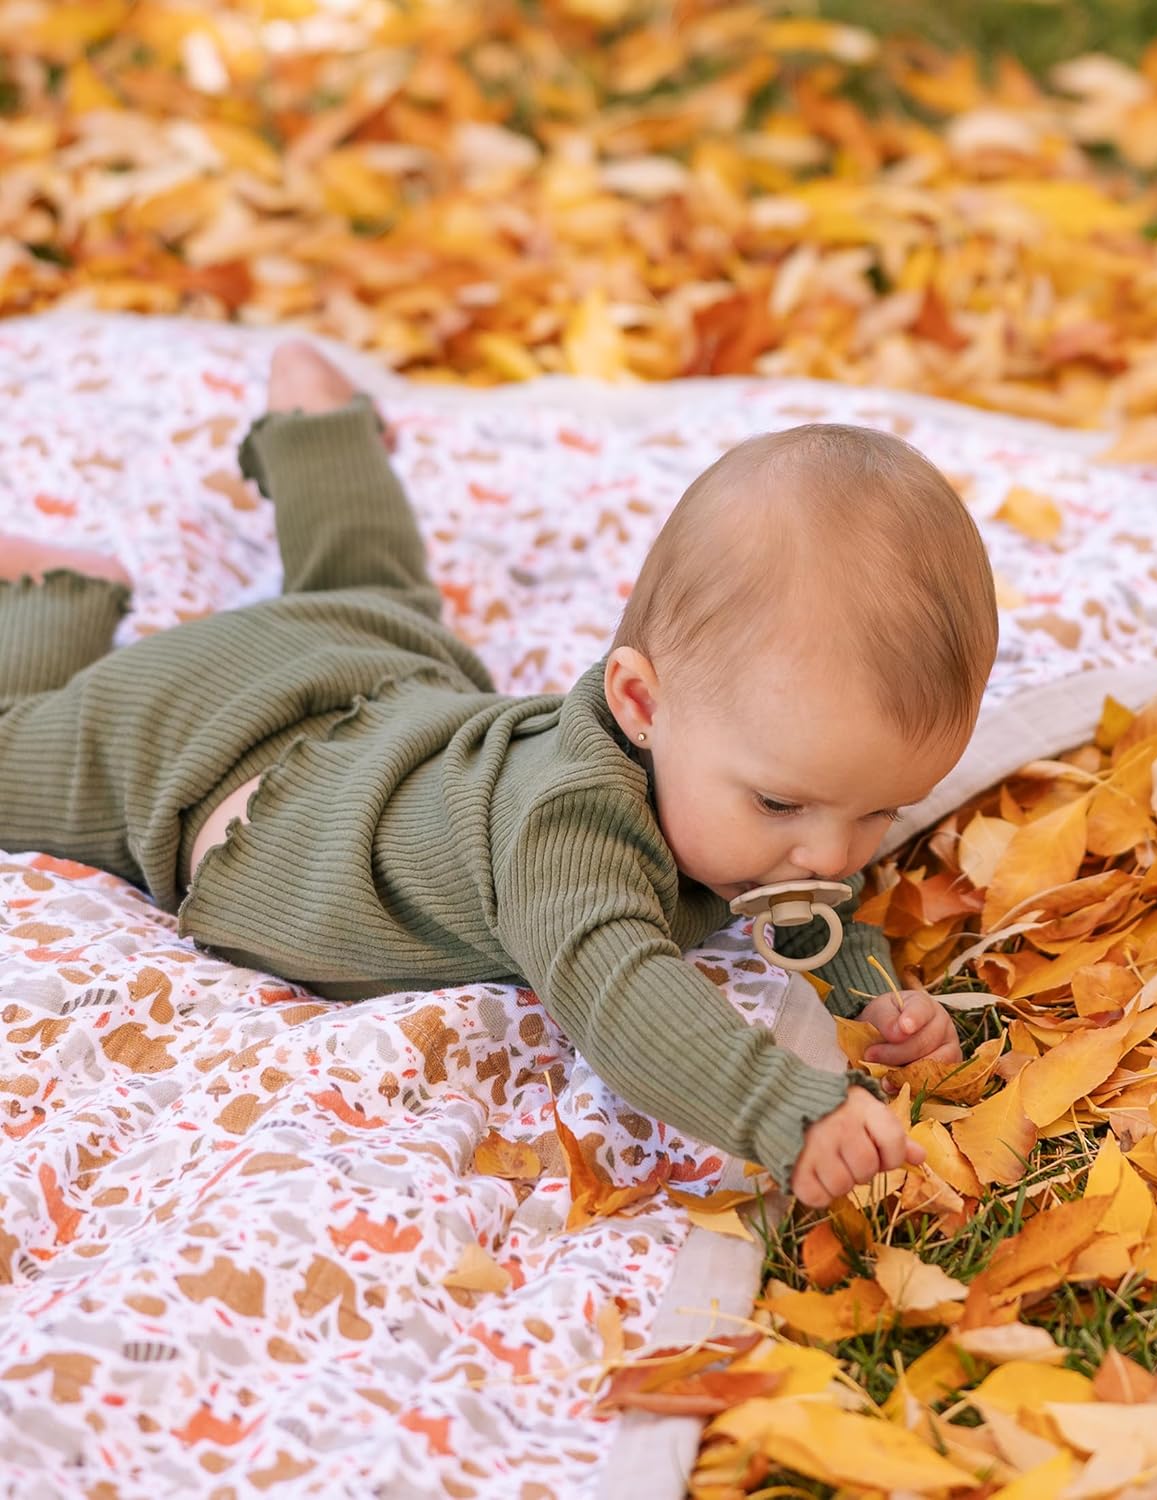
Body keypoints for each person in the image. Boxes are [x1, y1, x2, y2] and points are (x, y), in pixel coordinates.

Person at [0, 342, 999, 1207]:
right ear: (640, 705)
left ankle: (319, 434)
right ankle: (58, 595)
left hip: (381, 675)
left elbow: (810, 906)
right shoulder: (568, 833)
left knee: (372, 587)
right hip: (222, 763)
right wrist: (782, 1107)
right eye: (781, 803)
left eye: (879, 812)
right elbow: (619, 989)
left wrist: (869, 991)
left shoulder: (758, 788)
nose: (829, 850)